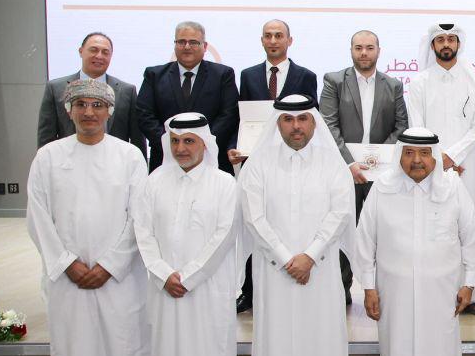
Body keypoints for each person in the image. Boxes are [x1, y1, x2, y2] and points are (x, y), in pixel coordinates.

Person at [26, 79, 149, 356]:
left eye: (97, 105)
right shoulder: (48, 157)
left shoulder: (129, 156)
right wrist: (68, 264)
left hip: (118, 277)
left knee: (123, 350)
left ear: (110, 111)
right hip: (68, 279)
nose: (89, 112)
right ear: (69, 110)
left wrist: (110, 265)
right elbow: (38, 217)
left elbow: (139, 218)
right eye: (81, 105)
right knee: (71, 355)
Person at [239, 95, 355, 356]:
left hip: (319, 271)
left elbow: (340, 213)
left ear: (314, 122)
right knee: (275, 348)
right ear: (277, 124)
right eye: (288, 120)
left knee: (319, 346)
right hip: (274, 272)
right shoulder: (258, 165)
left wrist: (309, 256)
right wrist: (286, 259)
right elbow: (253, 217)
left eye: (303, 119)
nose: (296, 127)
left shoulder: (332, 164)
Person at [358, 128, 475, 356]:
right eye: (410, 153)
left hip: (441, 295)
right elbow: (365, 241)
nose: (417, 160)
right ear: (399, 155)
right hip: (394, 294)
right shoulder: (382, 188)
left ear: (435, 157)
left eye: (425, 153)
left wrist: (469, 283)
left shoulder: (452, 188)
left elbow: (471, 237)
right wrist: (368, 288)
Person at [133, 114, 242, 356]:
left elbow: (225, 235)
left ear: (204, 144)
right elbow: (143, 233)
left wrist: (190, 276)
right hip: (164, 288)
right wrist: (163, 273)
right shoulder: (153, 182)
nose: (181, 148)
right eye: (175, 141)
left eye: (189, 141)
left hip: (208, 289)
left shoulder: (224, 184)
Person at [229, 19, 320, 312]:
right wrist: (237, 148)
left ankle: (294, 276)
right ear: (261, 40)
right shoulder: (248, 75)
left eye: (279, 35)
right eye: (268, 36)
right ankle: (250, 291)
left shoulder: (306, 76)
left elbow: (312, 119)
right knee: (255, 225)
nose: (273, 40)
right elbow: (244, 119)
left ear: (289, 41)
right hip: (258, 162)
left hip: (294, 161)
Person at [320, 30, 408, 305]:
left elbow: (401, 126)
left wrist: (379, 161)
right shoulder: (334, 81)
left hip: (382, 175)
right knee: (343, 232)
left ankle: (383, 290)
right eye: (358, 48)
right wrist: (349, 163)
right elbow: (328, 125)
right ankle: (341, 289)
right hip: (343, 171)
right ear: (351, 50)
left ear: (378, 50)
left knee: (383, 233)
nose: (364, 53)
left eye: (369, 47)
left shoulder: (393, 85)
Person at [406, 24, 475, 313]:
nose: (446, 44)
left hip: (466, 165)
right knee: (434, 226)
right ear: (432, 45)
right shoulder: (419, 82)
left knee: (469, 227)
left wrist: (453, 157)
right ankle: (437, 290)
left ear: (458, 44)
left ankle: (471, 290)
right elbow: (416, 125)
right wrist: (439, 160)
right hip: (429, 166)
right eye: (440, 39)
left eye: (451, 39)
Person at [136, 20, 239, 173]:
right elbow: (144, 114)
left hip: (210, 159)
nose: (187, 47)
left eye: (193, 42)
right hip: (165, 159)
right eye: (181, 42)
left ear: (205, 46)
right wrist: (171, 144)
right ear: (175, 44)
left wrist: (203, 143)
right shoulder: (154, 75)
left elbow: (229, 114)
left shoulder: (223, 75)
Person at [38, 32, 144, 156]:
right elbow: (46, 137)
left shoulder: (127, 91)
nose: (99, 56)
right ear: (81, 51)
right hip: (68, 162)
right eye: (94, 50)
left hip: (114, 163)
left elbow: (137, 138)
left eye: (105, 52)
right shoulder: (55, 88)